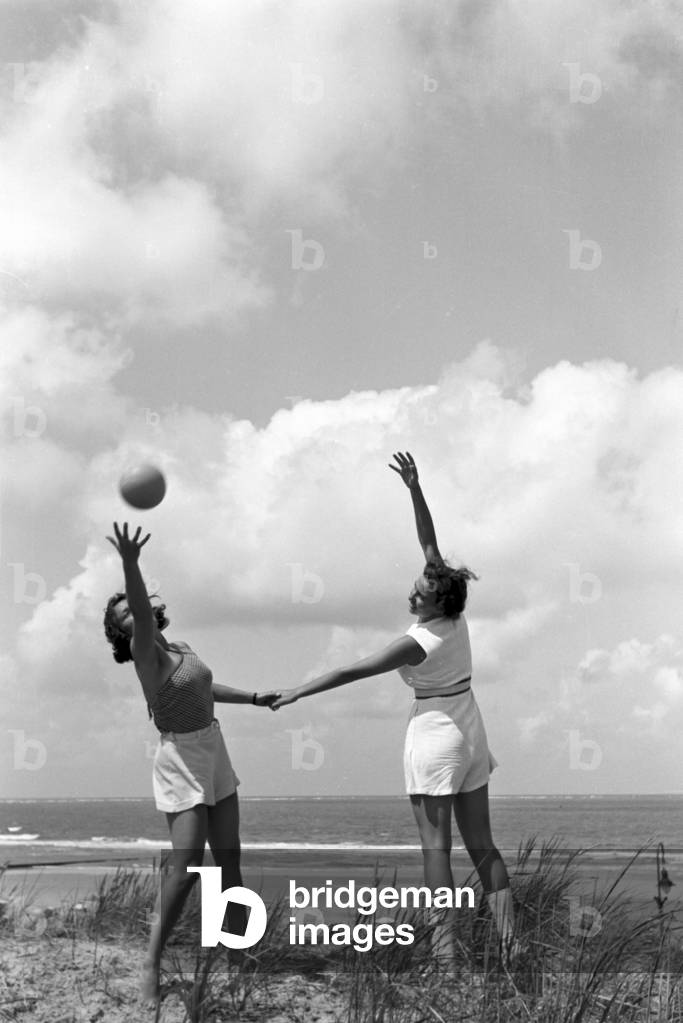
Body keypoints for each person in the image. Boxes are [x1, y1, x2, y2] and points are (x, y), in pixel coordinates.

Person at [271, 452, 516, 964]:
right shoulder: (456, 617)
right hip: (471, 728)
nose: (414, 595)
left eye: (422, 594)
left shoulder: (420, 641)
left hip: (436, 735)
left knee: (435, 848)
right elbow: (429, 543)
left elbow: (352, 671)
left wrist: (297, 691)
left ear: (439, 604)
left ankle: (444, 959)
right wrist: (414, 488)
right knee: (483, 846)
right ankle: (512, 946)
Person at [103, 521, 279, 1000]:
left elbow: (204, 687)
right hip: (180, 757)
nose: (135, 615)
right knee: (184, 870)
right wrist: (131, 563)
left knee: (230, 864)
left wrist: (256, 697)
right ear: (123, 632)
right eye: (124, 616)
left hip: (214, 750)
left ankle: (239, 957)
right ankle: (151, 963)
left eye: (133, 607)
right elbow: (140, 610)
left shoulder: (179, 648)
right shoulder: (145, 655)